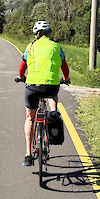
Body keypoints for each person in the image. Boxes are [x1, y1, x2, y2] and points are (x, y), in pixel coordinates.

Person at [18, 20, 70, 166]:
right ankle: (53, 112)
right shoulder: (56, 47)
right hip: (51, 87)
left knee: (29, 118)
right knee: (53, 93)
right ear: (49, 34)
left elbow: (22, 67)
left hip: (32, 87)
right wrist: (66, 79)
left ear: (36, 34)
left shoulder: (30, 47)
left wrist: (21, 77)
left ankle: (28, 154)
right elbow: (65, 68)